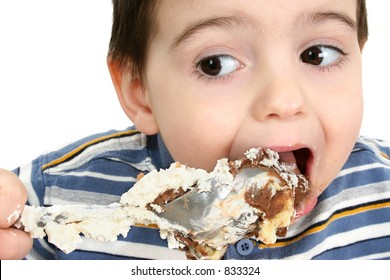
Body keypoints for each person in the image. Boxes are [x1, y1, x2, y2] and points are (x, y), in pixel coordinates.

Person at [1, 0, 389, 260]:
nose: (285, 100)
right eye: (216, 63)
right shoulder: (52, 200)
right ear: (142, 92)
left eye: (317, 54)